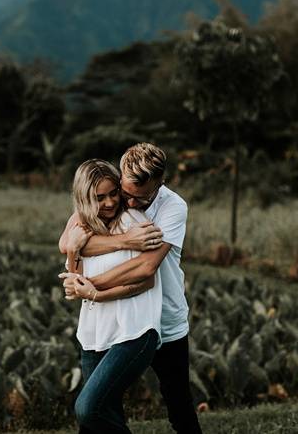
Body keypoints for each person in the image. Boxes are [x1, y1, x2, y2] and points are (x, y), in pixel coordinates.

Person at [60, 143, 202, 434]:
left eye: (142, 197)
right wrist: (124, 242)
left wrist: (90, 288)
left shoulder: (172, 207)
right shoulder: (112, 192)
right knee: (97, 413)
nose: (130, 203)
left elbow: (146, 269)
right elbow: (67, 242)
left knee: (179, 406)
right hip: (110, 320)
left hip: (163, 316)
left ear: (159, 184)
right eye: (127, 194)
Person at [61, 158, 164, 433]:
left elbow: (145, 280)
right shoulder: (82, 229)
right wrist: (72, 251)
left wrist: (95, 293)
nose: (109, 202)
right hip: (93, 335)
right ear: (85, 199)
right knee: (99, 423)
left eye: (113, 193)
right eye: (99, 197)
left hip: (134, 331)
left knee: (88, 409)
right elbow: (74, 278)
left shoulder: (135, 223)